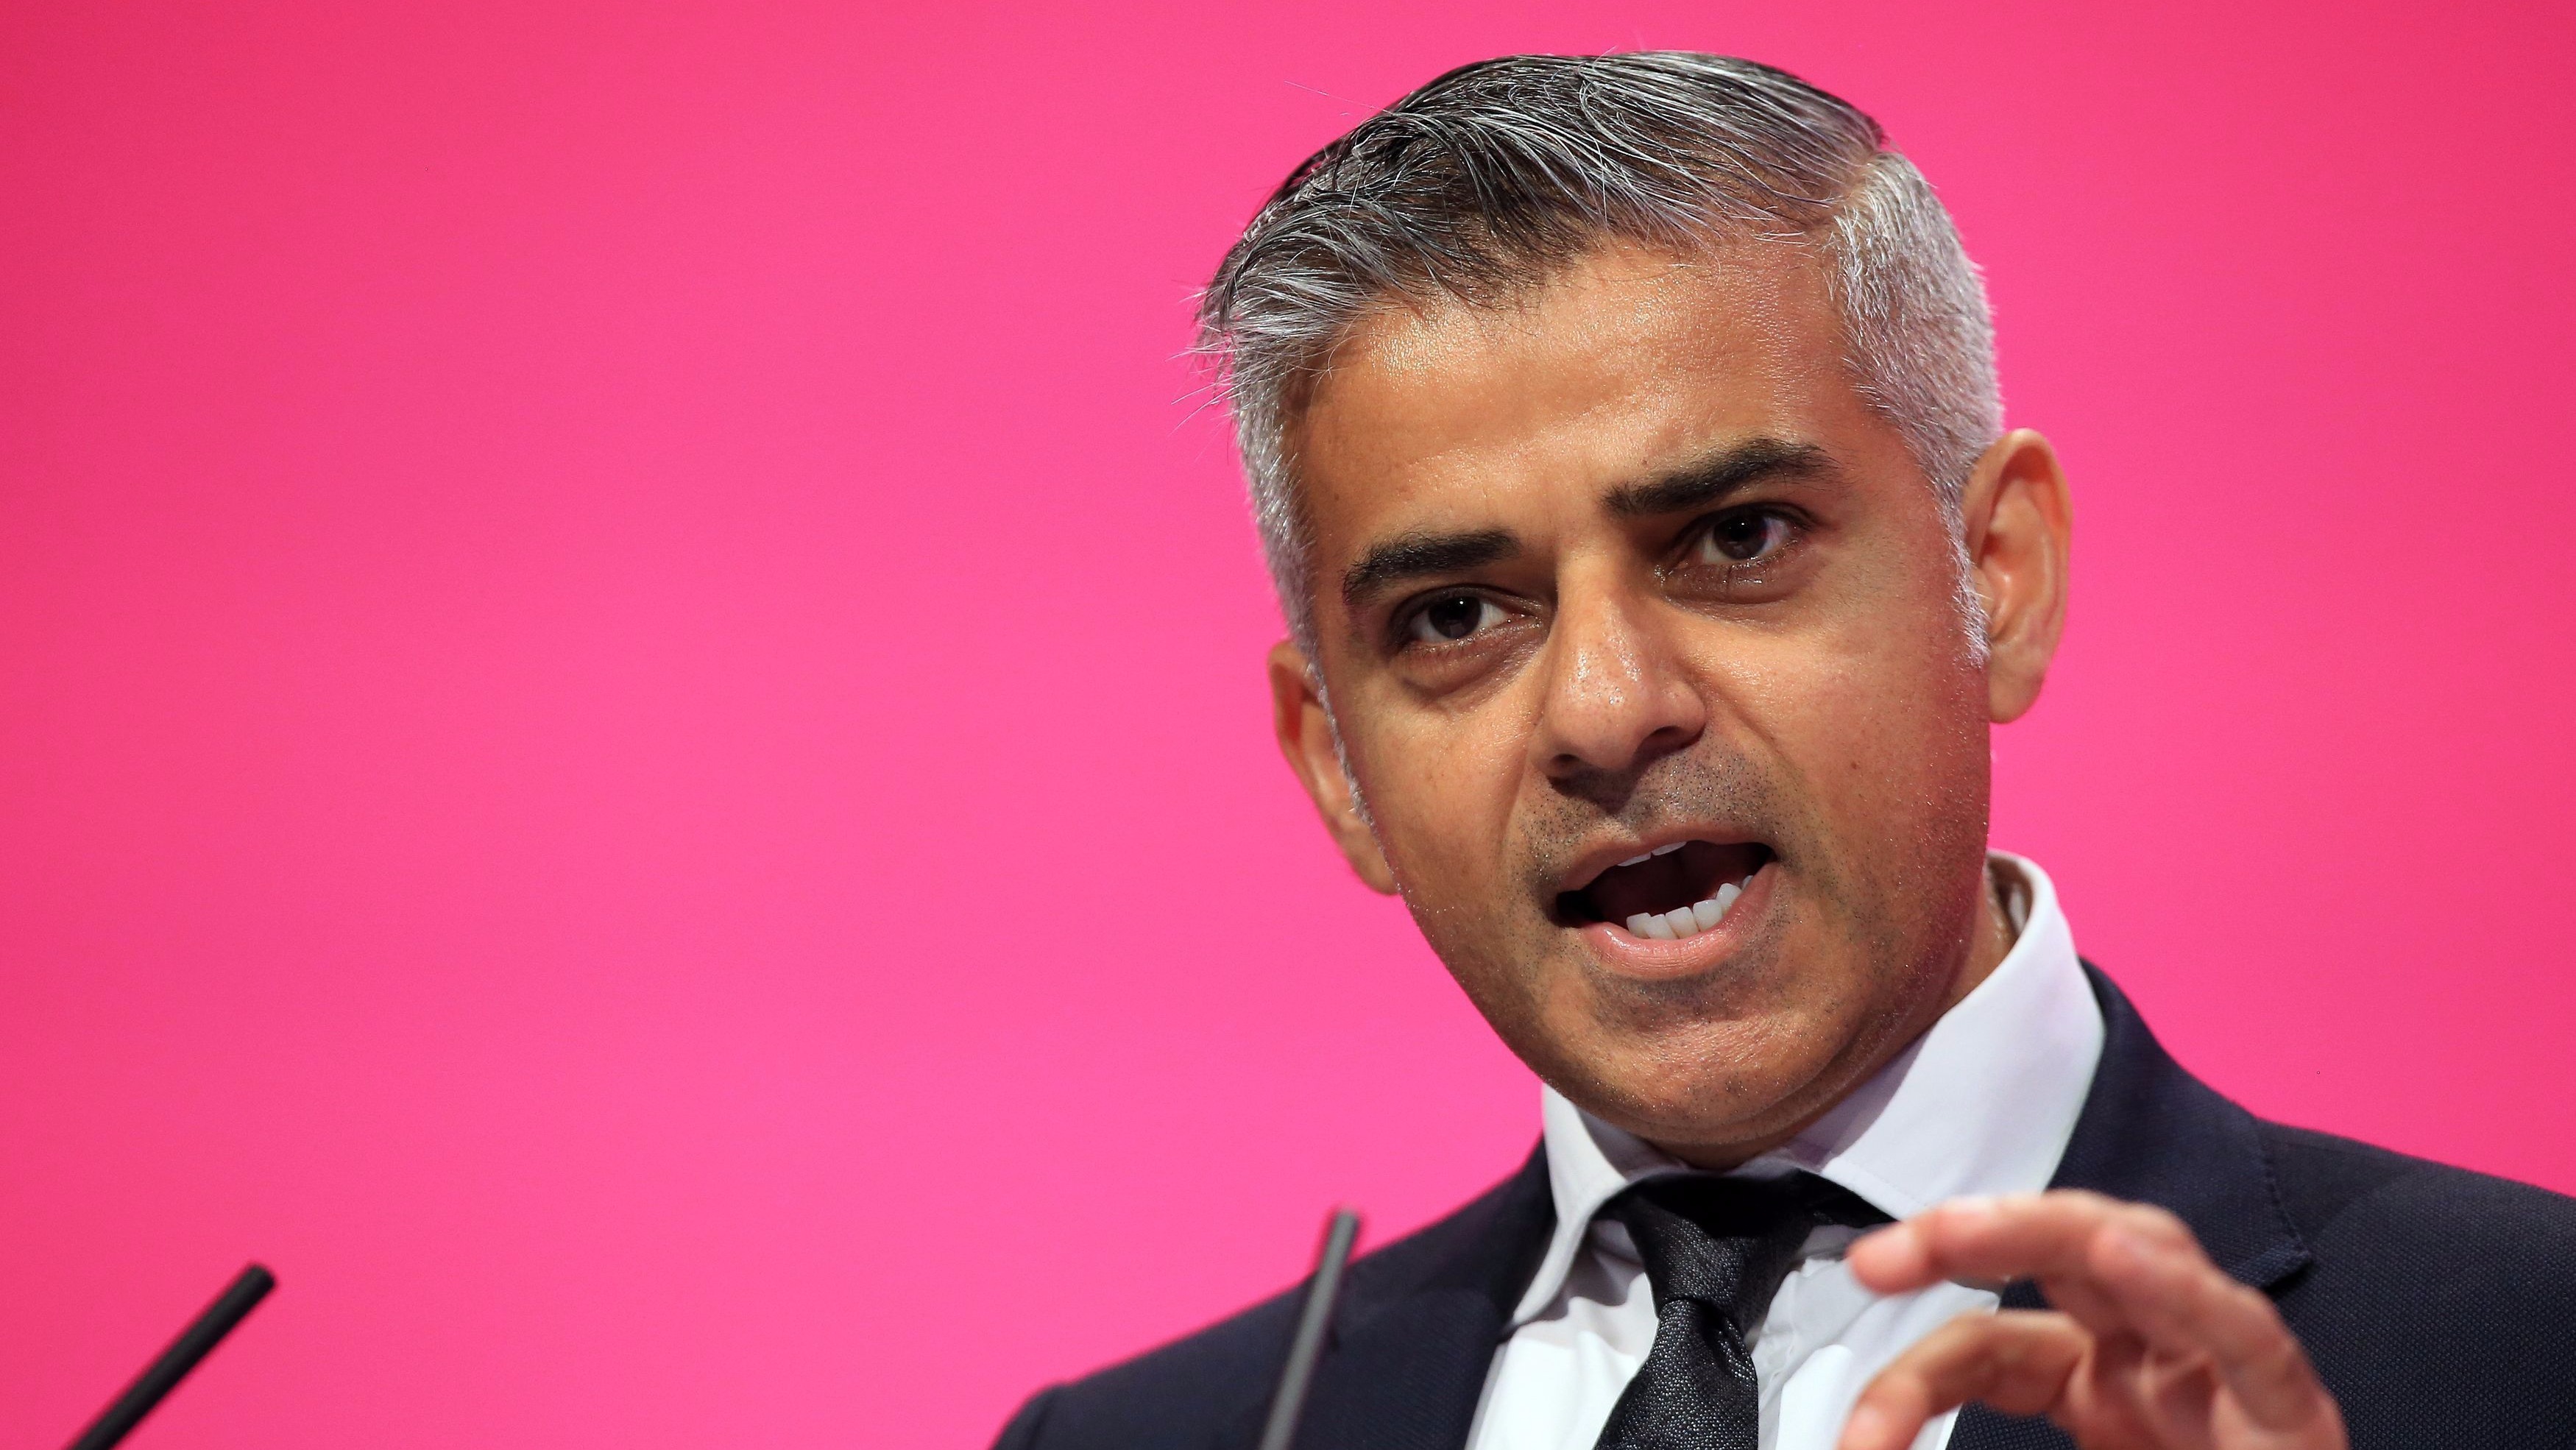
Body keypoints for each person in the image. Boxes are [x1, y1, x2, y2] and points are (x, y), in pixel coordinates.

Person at [991, 53, 2576, 1450]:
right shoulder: (1151, 1437)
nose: (1604, 708)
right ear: (1337, 762)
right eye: (1456, 613)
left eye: (1735, 536)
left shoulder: (2523, 1354)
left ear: (1998, 574)